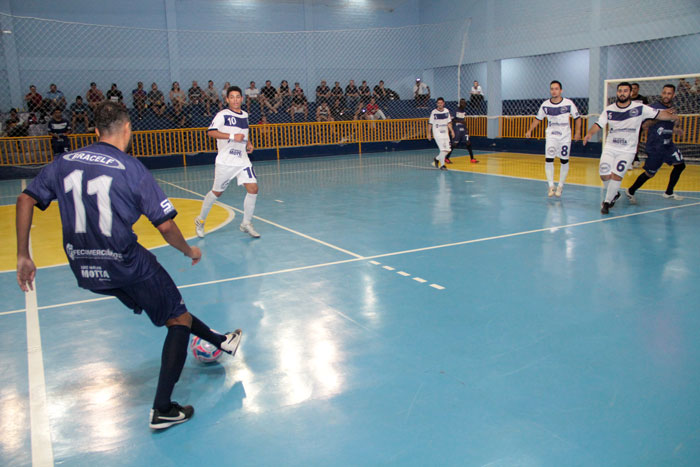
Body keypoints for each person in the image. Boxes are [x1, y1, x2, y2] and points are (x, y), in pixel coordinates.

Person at [15, 101, 242, 430]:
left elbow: (25, 199)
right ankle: (163, 409)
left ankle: (221, 342)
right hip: (124, 261)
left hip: (85, 268)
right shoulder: (131, 168)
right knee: (176, 318)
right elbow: (165, 227)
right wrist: (188, 250)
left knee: (169, 306)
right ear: (127, 129)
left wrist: (24, 254)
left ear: (94, 131)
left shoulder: (63, 161)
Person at [583, 82, 678, 214]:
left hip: (627, 150)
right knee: (604, 174)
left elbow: (659, 114)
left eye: (625, 91)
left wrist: (672, 116)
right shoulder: (609, 109)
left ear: (630, 93)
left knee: (616, 175)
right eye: (620, 91)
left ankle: (607, 202)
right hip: (610, 147)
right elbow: (598, 124)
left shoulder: (640, 108)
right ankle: (614, 194)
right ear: (617, 93)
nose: (622, 93)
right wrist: (589, 133)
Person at [195, 86, 260, 238]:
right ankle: (200, 220)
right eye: (232, 97)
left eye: (238, 97)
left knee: (253, 188)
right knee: (217, 192)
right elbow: (211, 132)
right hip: (226, 162)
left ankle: (246, 223)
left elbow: (244, 133)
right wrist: (231, 136)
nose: (235, 100)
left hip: (242, 160)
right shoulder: (222, 115)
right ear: (227, 99)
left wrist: (248, 143)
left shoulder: (244, 115)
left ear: (242, 99)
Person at [625, 84, 686, 203]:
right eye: (664, 93)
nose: (666, 96)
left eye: (669, 93)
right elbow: (645, 125)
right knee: (649, 173)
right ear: (661, 93)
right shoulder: (654, 107)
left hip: (668, 145)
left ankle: (669, 192)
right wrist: (662, 116)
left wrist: (676, 129)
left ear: (673, 95)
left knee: (680, 165)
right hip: (655, 146)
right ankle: (631, 190)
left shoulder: (673, 108)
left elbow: (666, 127)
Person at [524, 80, 581, 197]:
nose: (554, 91)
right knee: (549, 159)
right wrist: (530, 130)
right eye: (552, 89)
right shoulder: (545, 105)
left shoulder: (568, 103)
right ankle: (551, 186)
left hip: (565, 136)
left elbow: (577, 118)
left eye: (556, 89)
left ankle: (560, 186)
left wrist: (578, 132)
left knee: (564, 160)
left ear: (561, 90)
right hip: (551, 136)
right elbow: (538, 119)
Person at [447, 98, 478, 164]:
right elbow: (452, 120)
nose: (463, 104)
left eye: (464, 103)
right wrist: (460, 121)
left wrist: (466, 129)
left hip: (463, 129)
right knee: (454, 144)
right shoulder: (455, 110)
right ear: (460, 103)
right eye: (462, 103)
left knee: (468, 142)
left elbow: (464, 121)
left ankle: (472, 158)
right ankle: (446, 158)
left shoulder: (464, 111)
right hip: (457, 129)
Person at [427, 97, 454, 170]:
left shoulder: (446, 111)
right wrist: (429, 133)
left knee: (448, 150)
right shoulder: (434, 112)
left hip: (445, 133)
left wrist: (452, 131)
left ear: (443, 103)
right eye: (438, 103)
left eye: (441, 103)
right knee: (442, 150)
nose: (440, 104)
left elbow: (449, 122)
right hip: (437, 133)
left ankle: (437, 158)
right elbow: (430, 123)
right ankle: (442, 165)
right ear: (437, 104)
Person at [629, 83, 649, 167]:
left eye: (635, 88)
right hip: (628, 124)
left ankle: (635, 158)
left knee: (636, 142)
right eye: (632, 88)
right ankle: (629, 159)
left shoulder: (643, 99)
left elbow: (647, 111)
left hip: (638, 124)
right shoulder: (627, 99)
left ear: (638, 89)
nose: (633, 90)